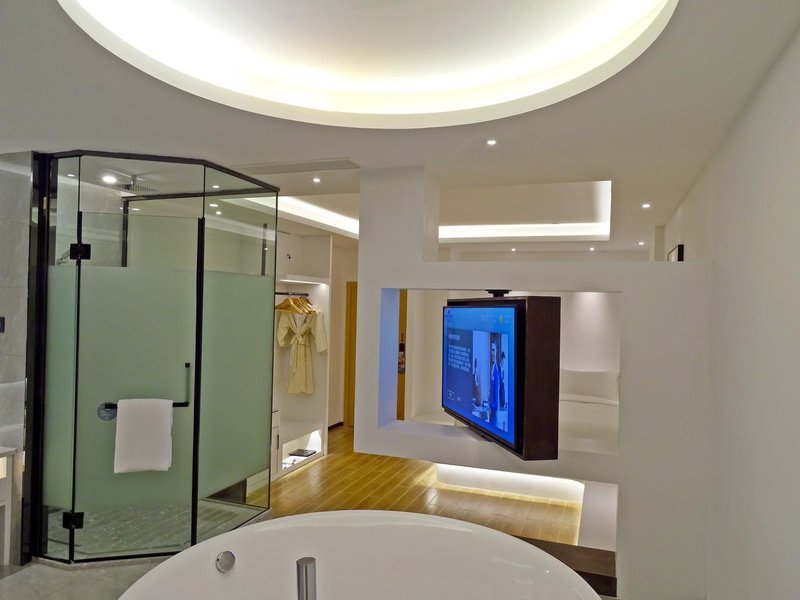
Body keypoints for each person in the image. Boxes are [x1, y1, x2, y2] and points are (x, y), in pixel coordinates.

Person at [489, 340, 500, 426]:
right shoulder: (492, 367)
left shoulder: (496, 369)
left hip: (494, 411)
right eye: (491, 350)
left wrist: (491, 407)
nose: (492, 353)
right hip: (491, 410)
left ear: (496, 351)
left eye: (493, 350)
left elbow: (496, 392)